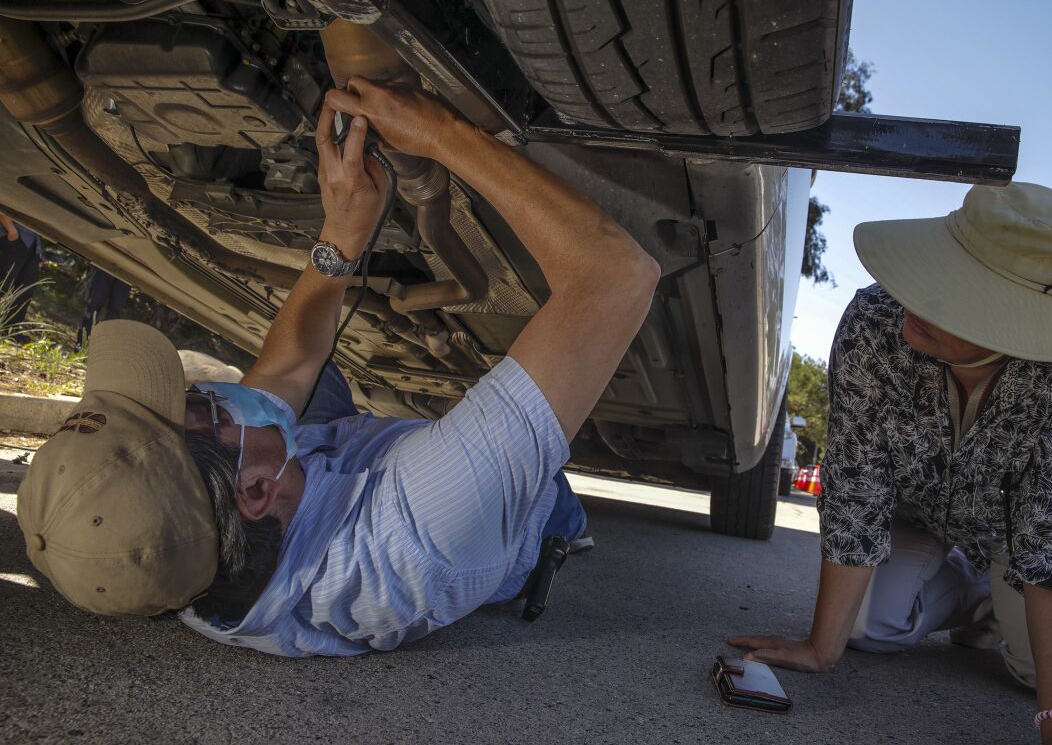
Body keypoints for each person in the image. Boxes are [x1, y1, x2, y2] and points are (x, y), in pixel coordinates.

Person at [17, 79, 659, 656]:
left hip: (318, 484)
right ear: (258, 491)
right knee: (525, 423)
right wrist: (439, 134)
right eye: (198, 405)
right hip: (501, 512)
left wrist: (342, 233)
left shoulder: (187, 553)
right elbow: (618, 275)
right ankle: (558, 523)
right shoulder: (417, 529)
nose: (208, 388)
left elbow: (289, 369)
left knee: (287, 389)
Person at [729, 183, 1052, 745]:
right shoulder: (875, 321)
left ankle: (1007, 600)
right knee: (866, 628)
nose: (917, 300)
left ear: (1022, 327)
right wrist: (822, 650)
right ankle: (979, 599)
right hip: (914, 516)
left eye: (957, 294)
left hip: (1027, 538)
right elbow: (857, 483)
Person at [0, 210, 43, 341]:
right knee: (3, 285)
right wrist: (11, 230)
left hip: (34, 244)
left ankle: (11, 329)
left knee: (26, 289)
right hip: (12, 236)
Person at [76, 267, 131, 348]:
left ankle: (102, 352)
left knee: (113, 315)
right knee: (93, 307)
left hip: (129, 273)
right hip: (106, 266)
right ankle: (80, 347)